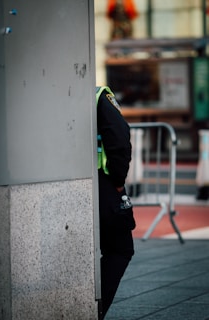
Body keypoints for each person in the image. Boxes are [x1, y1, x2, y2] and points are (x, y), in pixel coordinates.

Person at [96, 86, 136, 319]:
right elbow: (119, 137)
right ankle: (93, 311)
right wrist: (119, 180)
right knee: (120, 250)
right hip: (103, 185)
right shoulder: (98, 95)